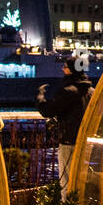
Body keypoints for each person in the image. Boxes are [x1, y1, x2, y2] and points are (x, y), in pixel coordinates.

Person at [36, 56, 94, 194]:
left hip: (69, 142)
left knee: (67, 182)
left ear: (72, 70)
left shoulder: (69, 91)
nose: (63, 69)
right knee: (82, 180)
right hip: (87, 143)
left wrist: (40, 97)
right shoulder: (91, 91)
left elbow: (48, 110)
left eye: (65, 67)